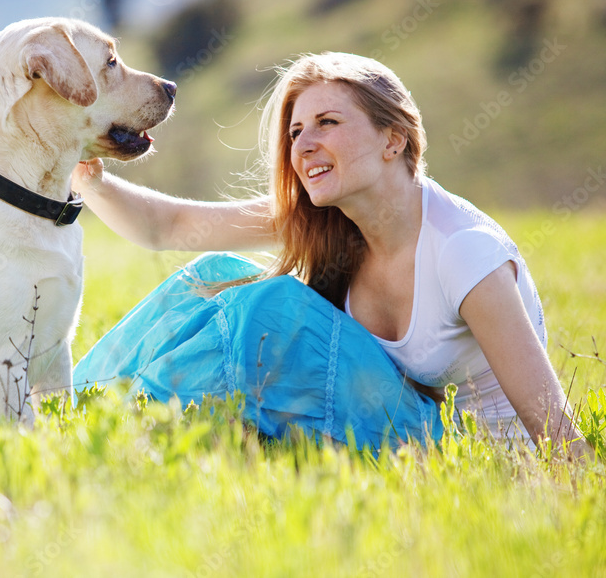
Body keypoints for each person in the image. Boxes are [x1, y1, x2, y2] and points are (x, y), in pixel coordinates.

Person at [71, 51, 589, 457]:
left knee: (270, 309)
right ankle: (73, 414)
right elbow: (168, 227)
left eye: (328, 123)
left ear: (394, 140)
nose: (304, 145)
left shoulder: (463, 251)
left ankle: (136, 434)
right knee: (214, 274)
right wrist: (78, 165)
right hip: (391, 427)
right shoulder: (330, 219)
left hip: (469, 455)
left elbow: (557, 434)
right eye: (297, 131)